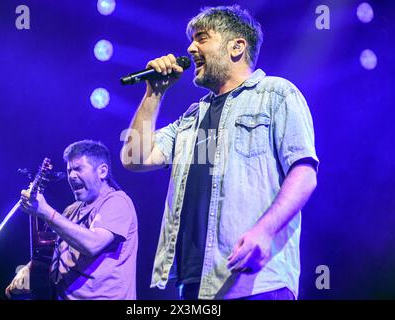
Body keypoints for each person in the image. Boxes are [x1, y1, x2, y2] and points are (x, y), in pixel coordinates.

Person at [121, 5, 318, 300]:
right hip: (192, 286)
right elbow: (135, 157)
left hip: (255, 282)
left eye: (201, 38)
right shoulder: (191, 117)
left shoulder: (275, 94)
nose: (190, 48)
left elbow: (304, 174)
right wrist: (154, 93)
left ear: (237, 46)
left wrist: (263, 232)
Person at [6, 140, 138, 300]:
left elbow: (93, 244)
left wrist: (46, 212)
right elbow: (56, 255)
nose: (72, 176)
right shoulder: (71, 210)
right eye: (69, 171)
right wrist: (29, 270)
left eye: (78, 169)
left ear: (102, 171)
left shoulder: (117, 201)